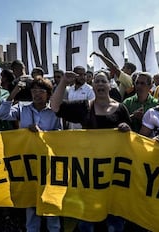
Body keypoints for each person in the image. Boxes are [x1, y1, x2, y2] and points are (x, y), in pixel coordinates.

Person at [50, 70, 131, 232]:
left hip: (112, 172)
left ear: (109, 85)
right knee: (87, 220)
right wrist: (63, 83)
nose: (100, 84)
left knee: (114, 218)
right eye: (97, 81)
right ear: (92, 86)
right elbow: (55, 107)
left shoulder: (121, 109)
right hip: (88, 172)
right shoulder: (84, 107)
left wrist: (126, 129)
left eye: (103, 81)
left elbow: (130, 140)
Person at [0, 76, 61, 232]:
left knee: (51, 197)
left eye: (40, 91)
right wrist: (14, 93)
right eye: (33, 91)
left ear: (48, 94)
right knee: (31, 198)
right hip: (28, 162)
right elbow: (1, 114)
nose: (36, 95)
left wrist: (43, 134)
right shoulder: (22, 108)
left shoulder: (55, 111)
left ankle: (54, 228)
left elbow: (60, 135)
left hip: (48, 162)